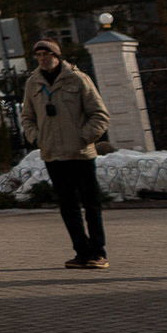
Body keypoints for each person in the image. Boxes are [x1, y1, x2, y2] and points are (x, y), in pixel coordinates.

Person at [22, 37, 112, 270]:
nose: (43, 59)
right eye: (38, 55)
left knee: (91, 205)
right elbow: (27, 117)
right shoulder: (33, 83)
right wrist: (37, 138)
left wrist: (84, 136)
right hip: (53, 155)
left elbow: (100, 114)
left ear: (57, 56)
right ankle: (81, 251)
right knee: (68, 206)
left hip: (80, 153)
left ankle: (98, 252)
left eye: (47, 54)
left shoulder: (78, 79)